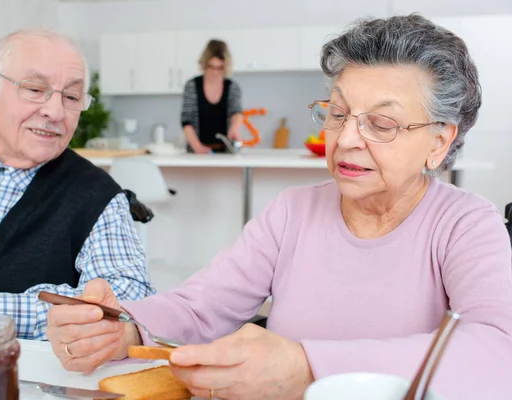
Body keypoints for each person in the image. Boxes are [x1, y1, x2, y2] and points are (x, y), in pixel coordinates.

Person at [45, 14, 512, 400]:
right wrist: (125, 328)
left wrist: (307, 366)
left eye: (382, 123)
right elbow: (204, 306)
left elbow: (497, 352)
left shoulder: (466, 225)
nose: (346, 139)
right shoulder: (291, 212)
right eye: (337, 113)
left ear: (439, 141)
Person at [0, 29, 154, 340]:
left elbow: (128, 304)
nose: (55, 112)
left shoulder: (97, 196)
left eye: (70, 97)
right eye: (35, 89)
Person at [181, 39, 244, 154]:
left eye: (220, 68)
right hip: (197, 151)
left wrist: (234, 127)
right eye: (211, 67)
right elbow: (186, 121)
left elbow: (237, 112)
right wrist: (197, 147)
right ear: (204, 64)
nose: (215, 72)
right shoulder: (192, 86)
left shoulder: (232, 87)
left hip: (225, 151)